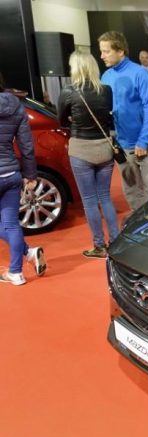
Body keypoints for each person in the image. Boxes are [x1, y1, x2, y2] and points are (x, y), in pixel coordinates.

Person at [57, 51, 120, 259]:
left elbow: (62, 121)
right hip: (104, 147)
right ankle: (116, 242)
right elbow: (107, 117)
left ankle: (99, 246)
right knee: (105, 197)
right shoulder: (106, 90)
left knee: (89, 201)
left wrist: (73, 120)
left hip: (81, 149)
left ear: (75, 67)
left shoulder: (68, 91)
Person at [99, 31, 148, 211]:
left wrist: (143, 141)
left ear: (120, 51)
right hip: (122, 145)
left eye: (106, 51)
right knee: (132, 191)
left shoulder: (141, 74)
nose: (102, 56)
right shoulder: (106, 77)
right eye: (101, 51)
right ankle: (141, 224)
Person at [0, 72, 47, 285]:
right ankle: (17, 270)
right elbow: (26, 145)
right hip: (11, 174)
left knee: (8, 226)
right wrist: (30, 175)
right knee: (11, 224)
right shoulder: (16, 105)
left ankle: (24, 259)